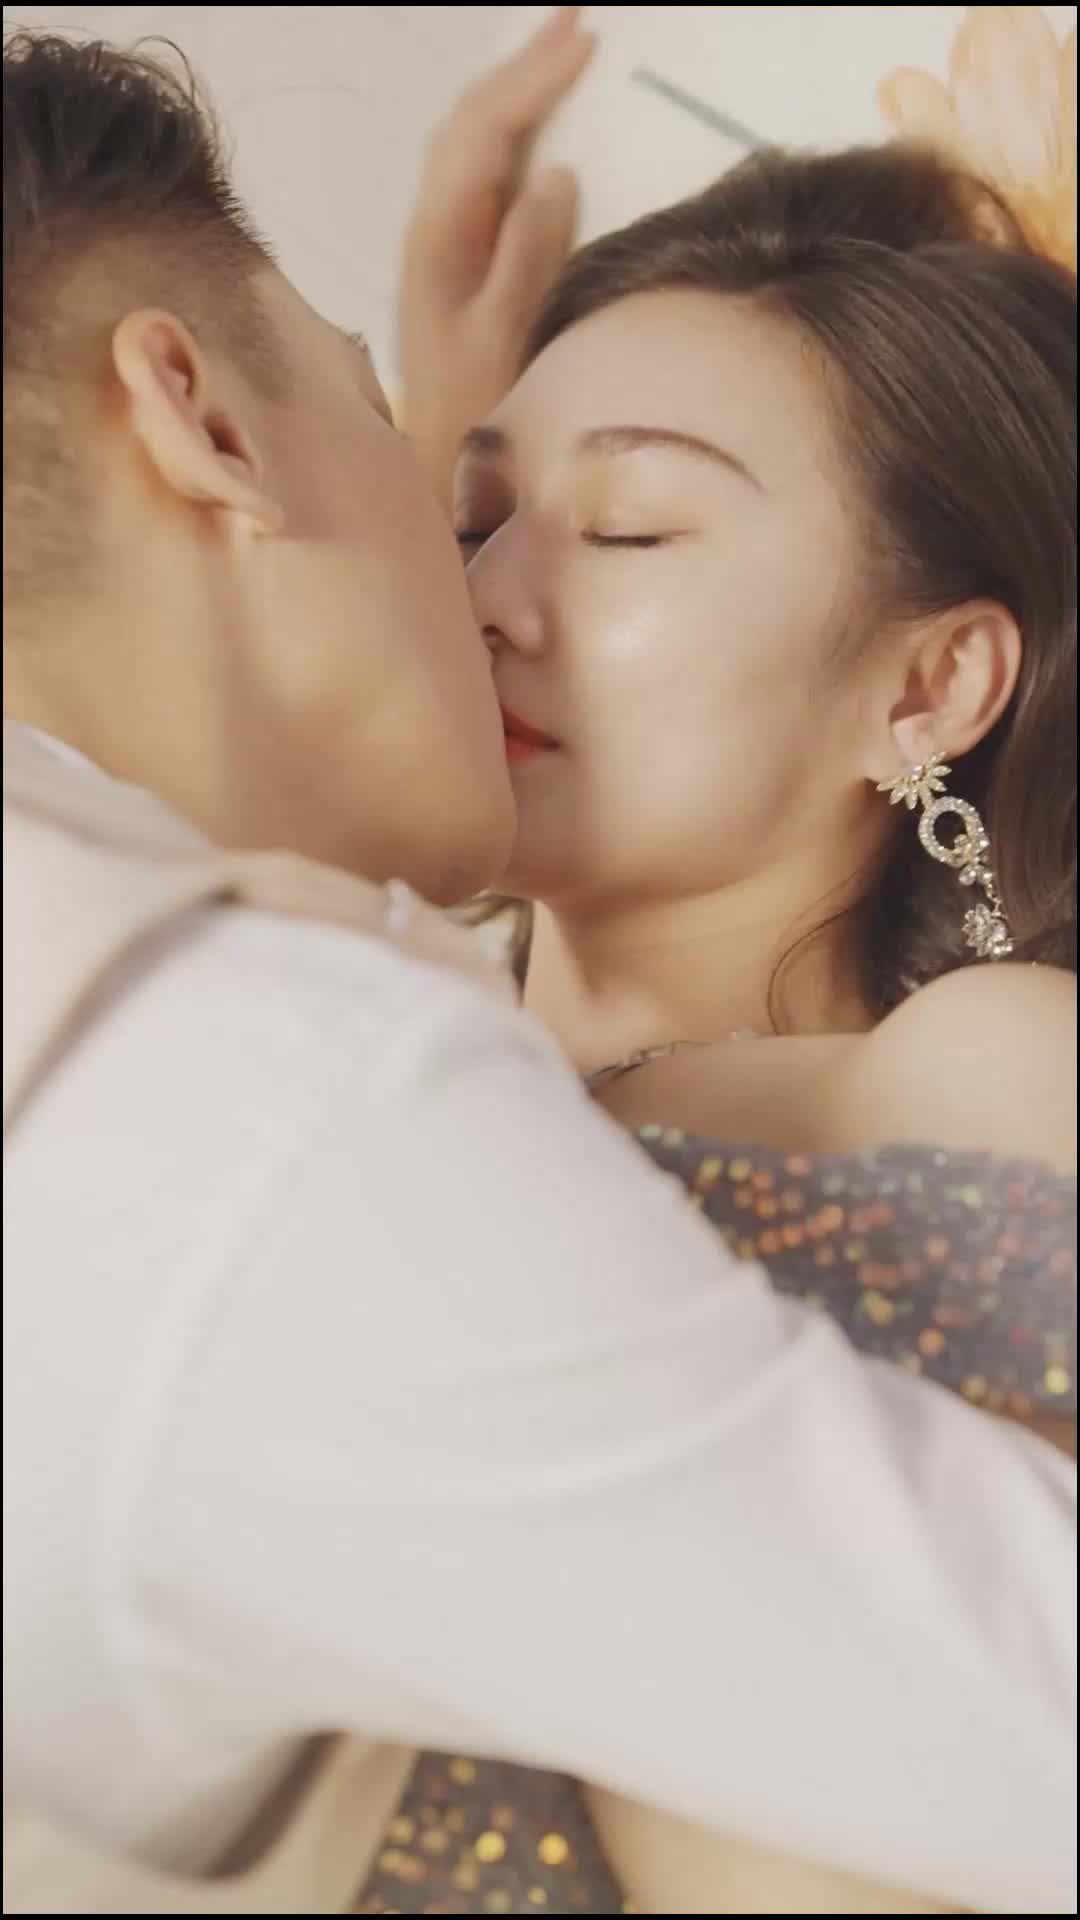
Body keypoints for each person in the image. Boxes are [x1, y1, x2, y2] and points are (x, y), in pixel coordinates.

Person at [2, 17, 1074, 1918]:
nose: (487, 594)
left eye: (631, 527)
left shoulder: (974, 1066)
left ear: (930, 684)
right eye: (467, 515)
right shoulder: (320, 1072)